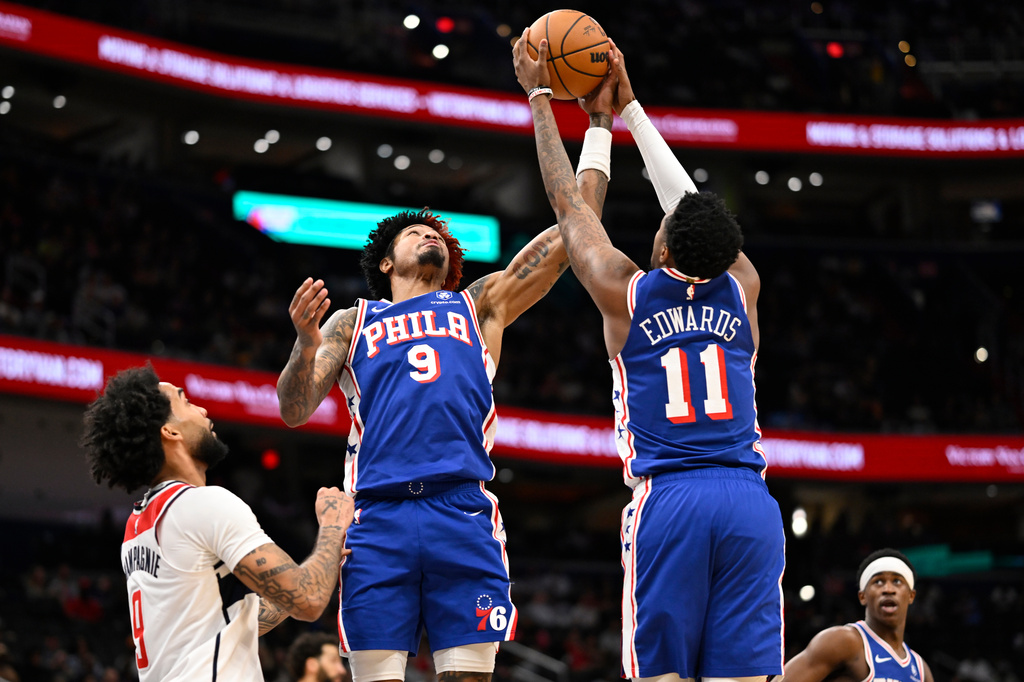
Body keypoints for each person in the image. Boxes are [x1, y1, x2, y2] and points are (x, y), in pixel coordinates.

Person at [276, 74, 617, 682]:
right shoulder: (352, 322)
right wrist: (304, 348)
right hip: (376, 518)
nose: (428, 234)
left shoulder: (479, 304)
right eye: (414, 232)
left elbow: (576, 225)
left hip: (461, 511)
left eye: (435, 232)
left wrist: (596, 128)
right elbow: (294, 408)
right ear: (387, 261)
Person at [514, 32, 786, 682]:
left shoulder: (628, 294)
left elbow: (569, 206)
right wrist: (630, 110)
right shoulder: (742, 289)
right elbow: (693, 210)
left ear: (664, 250)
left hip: (672, 498)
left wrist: (544, 99)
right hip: (750, 501)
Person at [81, 365, 354, 682]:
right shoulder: (203, 504)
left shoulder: (138, 524)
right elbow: (308, 602)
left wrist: (321, 562)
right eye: (186, 402)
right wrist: (333, 524)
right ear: (170, 432)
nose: (203, 409)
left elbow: (227, 620)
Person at [778, 549, 934, 682]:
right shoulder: (843, 641)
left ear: (911, 596)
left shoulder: (921, 670)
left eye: (897, 581)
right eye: (878, 581)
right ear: (862, 596)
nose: (888, 589)